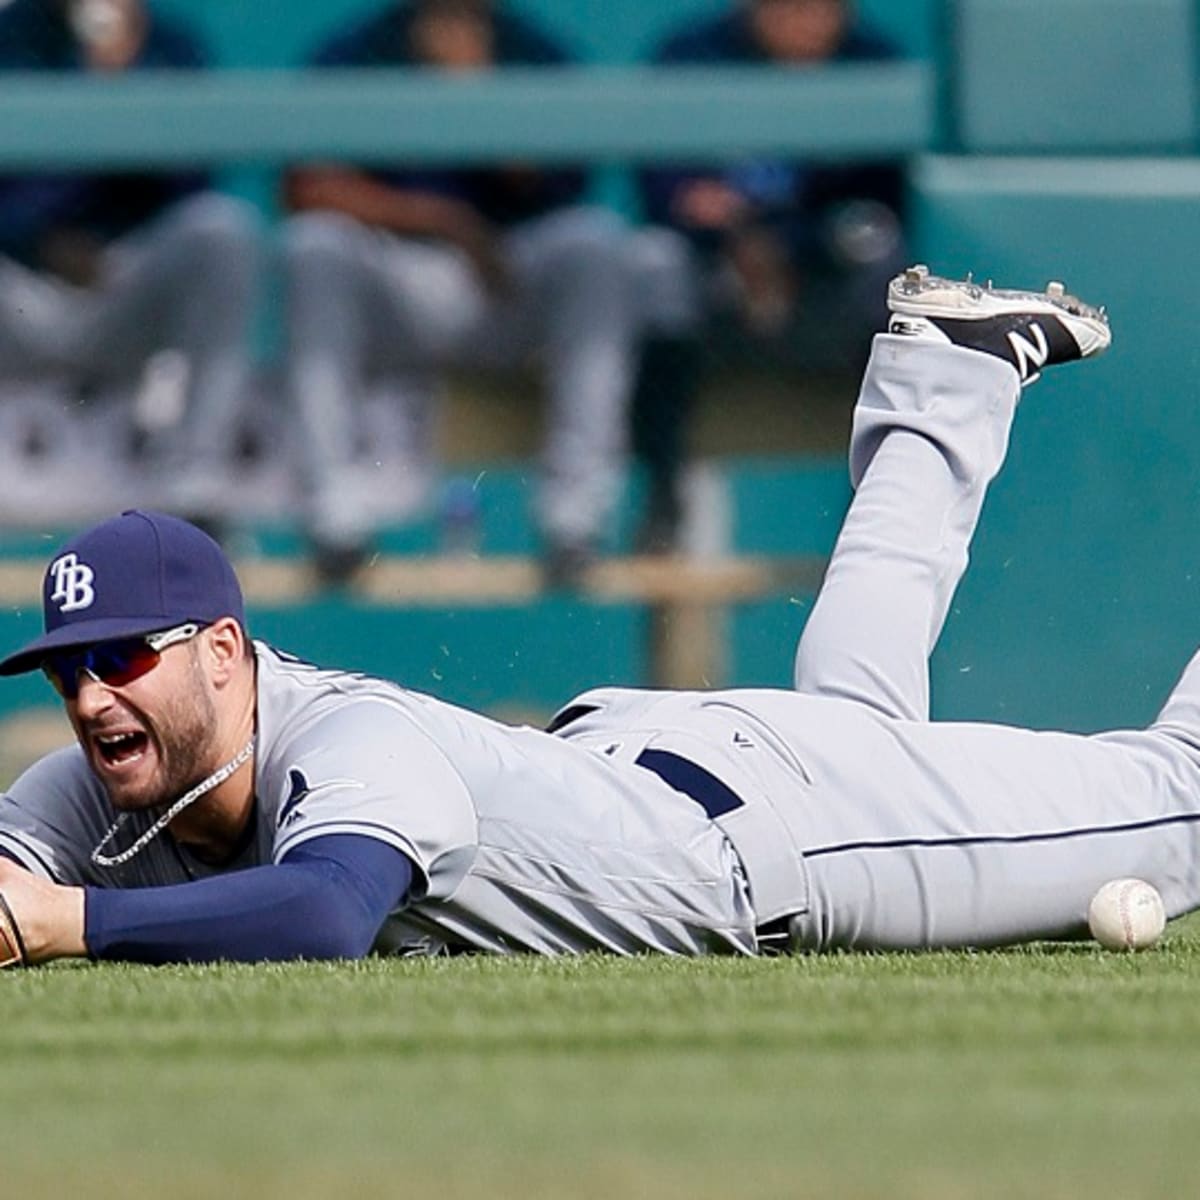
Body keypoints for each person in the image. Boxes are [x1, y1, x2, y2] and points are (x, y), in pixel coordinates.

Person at [4, 263, 1191, 970]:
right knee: (856, 713)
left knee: (1182, 803)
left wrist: (63, 922)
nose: (90, 696)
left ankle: (950, 379)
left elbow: (323, 909)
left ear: (223, 653)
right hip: (682, 767)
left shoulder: (347, 742)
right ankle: (952, 373)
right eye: (66, 673)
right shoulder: (101, 785)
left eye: (121, 658)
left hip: (785, 840)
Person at [281, 0, 639, 587]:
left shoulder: (528, 49)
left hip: (504, 281)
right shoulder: (361, 50)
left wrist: (476, 90)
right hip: (396, 283)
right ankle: (334, 515)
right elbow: (307, 186)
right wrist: (441, 218)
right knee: (313, 247)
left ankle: (575, 518)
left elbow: (564, 179)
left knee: (593, 245)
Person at [631, 0, 909, 551]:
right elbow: (666, 193)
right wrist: (731, 233)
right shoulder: (693, 57)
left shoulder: (872, 65)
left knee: (892, 281)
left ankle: (882, 518)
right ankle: (662, 491)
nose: (806, 21)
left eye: (822, 10)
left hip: (821, 296)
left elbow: (879, 210)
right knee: (653, 265)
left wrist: (787, 240)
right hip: (719, 291)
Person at [0, 0, 262, 528]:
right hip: (21, 287)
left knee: (221, 232)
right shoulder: (11, 38)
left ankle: (197, 482)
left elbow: (194, 186)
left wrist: (124, 82)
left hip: (125, 284)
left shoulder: (168, 43)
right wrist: (37, 238)